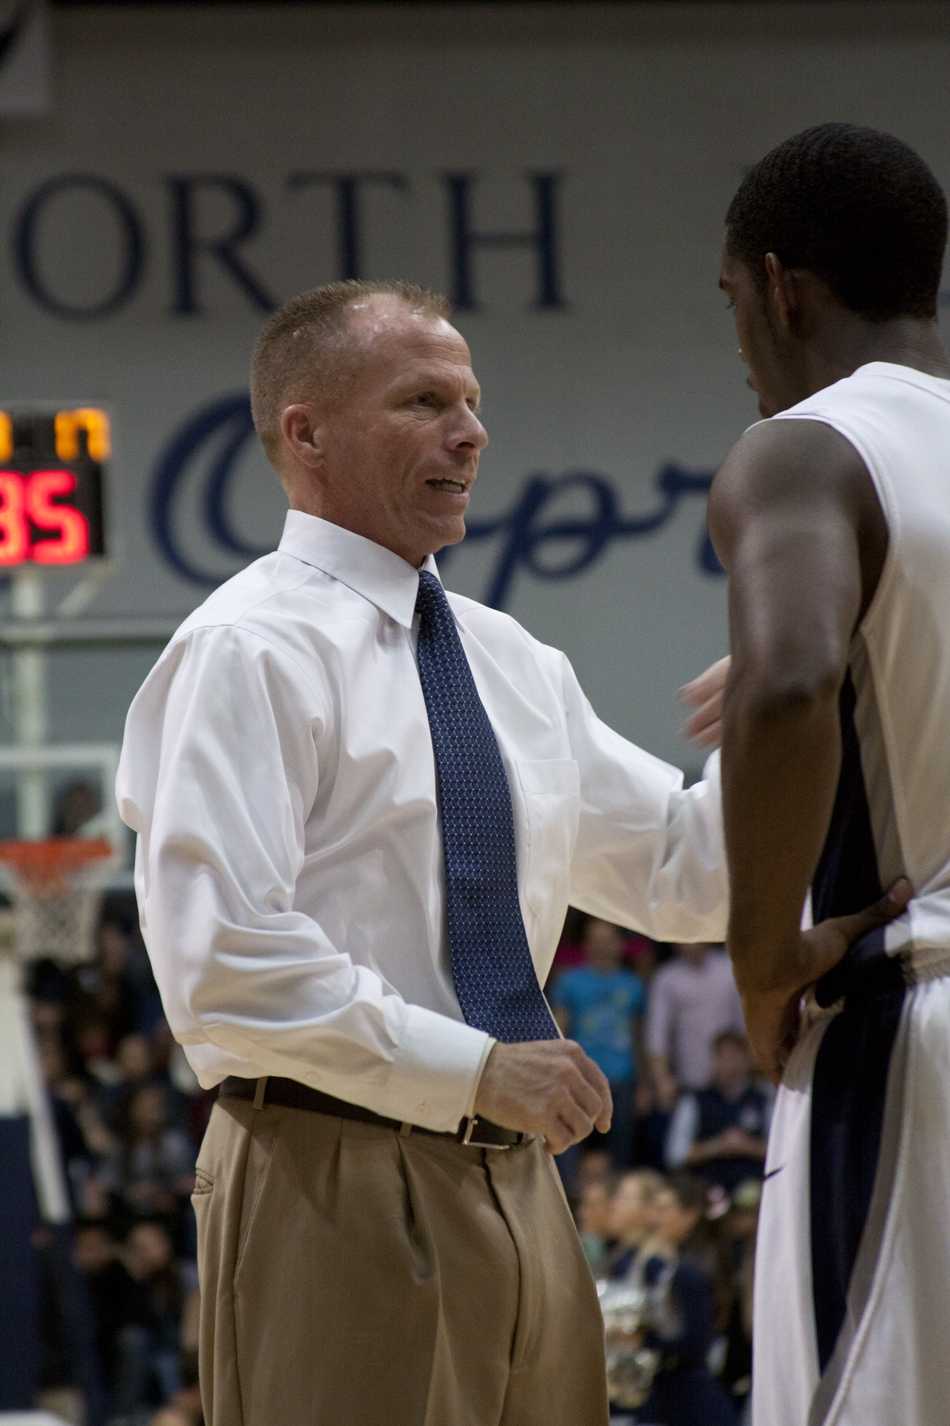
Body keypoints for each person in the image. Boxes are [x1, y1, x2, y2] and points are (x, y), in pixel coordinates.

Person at [115, 278, 889, 1425]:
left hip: (521, 1176)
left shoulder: (508, 658)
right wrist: (472, 1066)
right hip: (326, 1162)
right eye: (424, 400)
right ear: (305, 431)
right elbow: (221, 959)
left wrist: (785, 720)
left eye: (472, 401)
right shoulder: (245, 647)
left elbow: (679, 876)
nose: (469, 432)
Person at [712, 122, 949, 1426]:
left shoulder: (803, 449)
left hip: (911, 1023)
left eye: (731, 306)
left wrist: (761, 955)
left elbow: (790, 680)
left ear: (777, 285)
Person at [637, 1174, 737, 1426]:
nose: (655, 1218)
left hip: (692, 1400)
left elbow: (695, 1343)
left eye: (664, 1209)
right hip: (668, 1392)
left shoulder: (693, 1269)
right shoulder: (664, 1262)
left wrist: (641, 1337)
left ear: (689, 1215)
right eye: (654, 1208)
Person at [551, 916, 647, 1167]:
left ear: (619, 945)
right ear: (586, 945)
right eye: (595, 941)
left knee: (622, 1153)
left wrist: (645, 1083)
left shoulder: (633, 984)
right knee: (568, 1148)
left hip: (622, 1078)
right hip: (579, 1076)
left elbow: (639, 1037)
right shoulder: (570, 981)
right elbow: (559, 1030)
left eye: (607, 941)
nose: (601, 947)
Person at [665, 1029, 770, 1194]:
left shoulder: (764, 1100)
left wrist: (747, 1146)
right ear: (713, 1061)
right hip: (704, 1189)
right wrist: (718, 1146)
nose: (729, 1064)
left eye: (735, 1056)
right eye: (723, 1057)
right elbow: (676, 1155)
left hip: (754, 1189)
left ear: (747, 1060)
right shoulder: (693, 1101)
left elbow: (782, 1153)